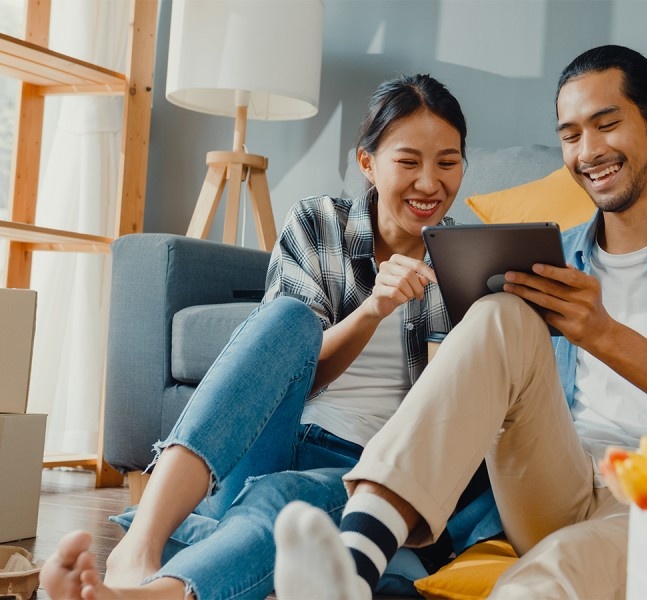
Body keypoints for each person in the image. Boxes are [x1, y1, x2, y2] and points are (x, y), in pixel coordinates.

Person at [272, 44, 647, 599]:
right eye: (571, 135)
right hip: (555, 483)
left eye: (606, 125)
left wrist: (599, 332)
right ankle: (354, 564)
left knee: (551, 574)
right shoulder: (549, 256)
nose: (589, 151)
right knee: (500, 311)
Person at [38, 73, 501, 600]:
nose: (429, 183)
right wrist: (371, 311)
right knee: (289, 319)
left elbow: (446, 417)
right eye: (409, 161)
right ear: (368, 162)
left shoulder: (465, 259)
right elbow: (297, 370)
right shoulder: (318, 222)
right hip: (278, 436)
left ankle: (148, 594)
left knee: (284, 504)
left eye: (448, 162)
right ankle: (140, 546)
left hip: (368, 471)